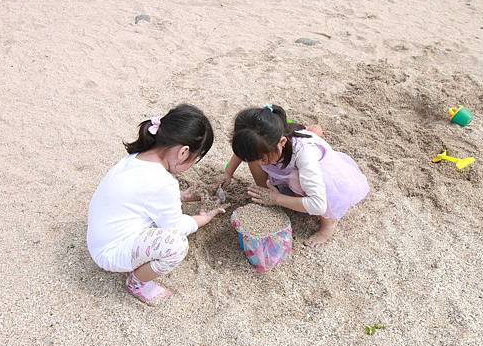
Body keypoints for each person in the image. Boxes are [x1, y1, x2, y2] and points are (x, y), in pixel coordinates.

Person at [87, 104, 225, 305]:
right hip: (110, 251)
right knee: (176, 246)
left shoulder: (136, 157)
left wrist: (179, 197)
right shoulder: (163, 182)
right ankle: (136, 283)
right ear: (184, 152)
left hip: (100, 237)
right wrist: (201, 219)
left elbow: (144, 195)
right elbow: (175, 228)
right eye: (195, 159)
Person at [220, 104, 369, 247]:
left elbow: (318, 205)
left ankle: (328, 225)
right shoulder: (261, 141)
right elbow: (245, 151)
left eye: (263, 157)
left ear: (282, 142)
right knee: (254, 159)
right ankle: (264, 191)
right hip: (286, 171)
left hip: (324, 182)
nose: (259, 162)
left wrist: (276, 199)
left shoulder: (304, 155)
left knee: (301, 183)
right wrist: (228, 172)